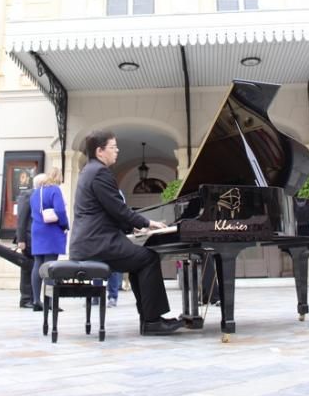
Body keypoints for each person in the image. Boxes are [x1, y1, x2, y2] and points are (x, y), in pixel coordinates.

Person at [69, 129, 183, 336]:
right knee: (148, 259)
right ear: (100, 151)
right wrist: (148, 223)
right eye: (113, 147)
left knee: (139, 261)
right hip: (97, 243)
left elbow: (110, 211)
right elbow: (118, 209)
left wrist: (135, 226)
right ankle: (152, 322)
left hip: (89, 241)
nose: (117, 151)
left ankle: (149, 318)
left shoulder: (89, 170)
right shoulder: (100, 173)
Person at [30, 167, 70, 311]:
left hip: (37, 230)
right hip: (51, 231)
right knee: (50, 266)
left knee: (37, 264)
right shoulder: (55, 190)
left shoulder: (36, 193)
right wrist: (65, 224)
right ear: (58, 177)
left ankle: (36, 300)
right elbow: (59, 210)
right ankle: (50, 301)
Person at [15, 179, 40, 308]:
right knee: (27, 268)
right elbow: (21, 219)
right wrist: (21, 240)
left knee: (34, 267)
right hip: (28, 238)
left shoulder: (40, 195)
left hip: (37, 239)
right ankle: (25, 299)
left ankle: (33, 298)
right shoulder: (28, 195)